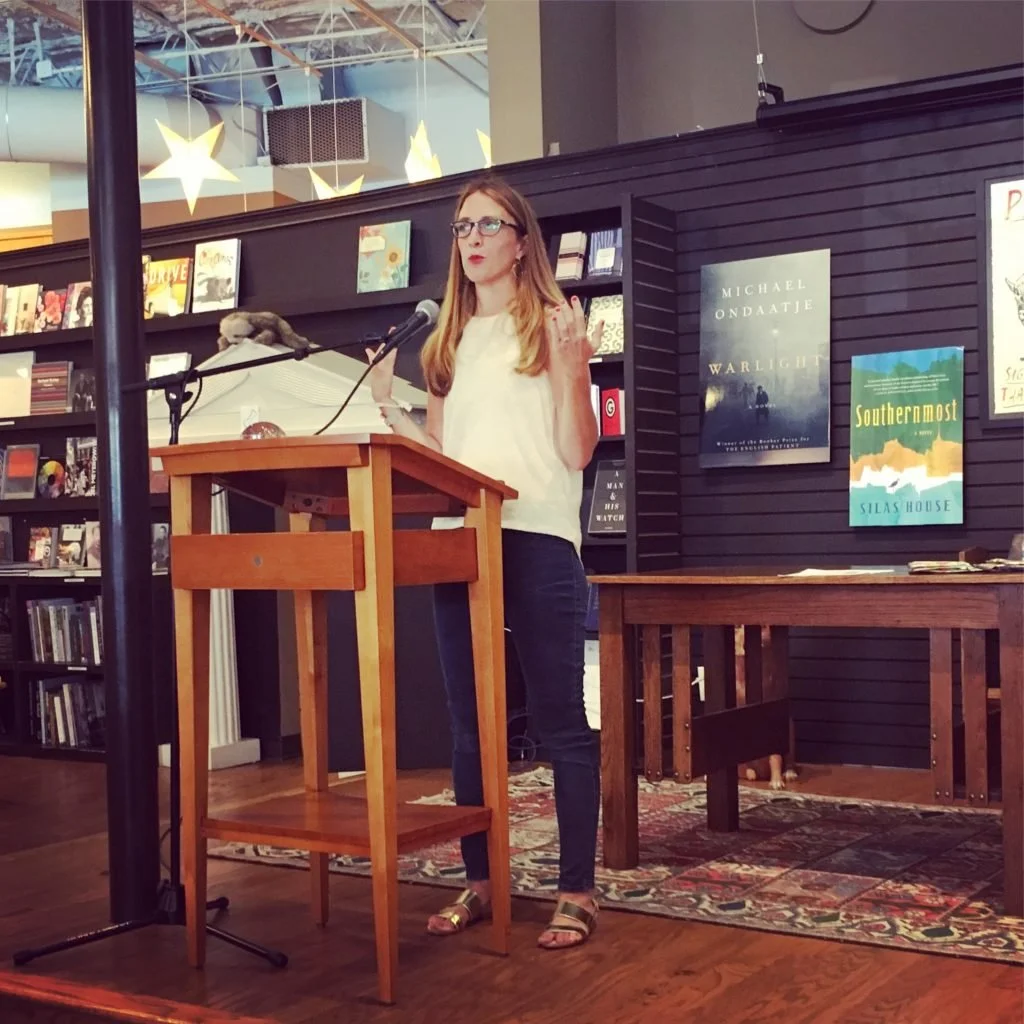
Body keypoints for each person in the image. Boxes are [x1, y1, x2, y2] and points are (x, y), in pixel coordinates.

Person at [365, 174, 605, 950]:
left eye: (488, 225)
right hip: (460, 539)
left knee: (561, 722)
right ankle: (481, 880)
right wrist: (387, 407)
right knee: (471, 728)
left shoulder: (555, 325)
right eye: (463, 225)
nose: (471, 239)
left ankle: (577, 891)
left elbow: (576, 450)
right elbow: (445, 457)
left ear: (520, 240)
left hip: (538, 535)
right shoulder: (446, 340)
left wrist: (574, 372)